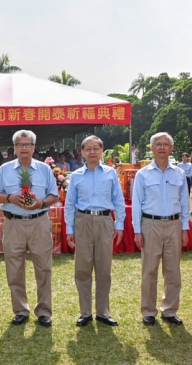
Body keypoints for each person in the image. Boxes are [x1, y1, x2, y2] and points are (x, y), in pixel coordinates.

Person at [0, 129, 60, 327]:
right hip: (14, 223)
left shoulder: (45, 170)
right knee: (14, 268)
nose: (24, 148)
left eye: (28, 144)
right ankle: (20, 309)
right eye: (20, 144)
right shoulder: (5, 169)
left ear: (34, 147)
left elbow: (54, 195)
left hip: (39, 221)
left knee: (44, 268)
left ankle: (44, 310)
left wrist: (40, 203)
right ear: (14, 148)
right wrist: (10, 198)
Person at [64, 136, 126, 327]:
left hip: (105, 220)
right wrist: (70, 229)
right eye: (88, 149)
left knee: (104, 268)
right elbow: (70, 204)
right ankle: (85, 312)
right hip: (82, 220)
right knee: (82, 268)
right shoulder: (76, 176)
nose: (92, 152)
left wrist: (120, 225)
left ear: (101, 150)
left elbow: (118, 200)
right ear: (82, 152)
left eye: (95, 148)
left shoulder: (110, 173)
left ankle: (103, 312)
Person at [132, 132, 190, 326]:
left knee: (173, 270)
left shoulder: (180, 173)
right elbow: (137, 203)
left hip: (173, 224)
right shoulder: (143, 174)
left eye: (166, 144)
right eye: (158, 144)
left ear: (171, 149)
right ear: (152, 148)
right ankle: (148, 311)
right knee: (149, 270)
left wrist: (184, 228)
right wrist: (137, 231)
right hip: (151, 224)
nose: (162, 147)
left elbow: (184, 203)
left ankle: (170, 310)